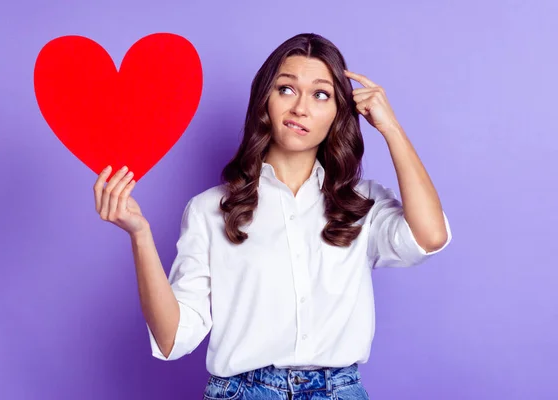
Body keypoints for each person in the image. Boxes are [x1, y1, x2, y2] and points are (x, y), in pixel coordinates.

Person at [93, 33, 452, 399]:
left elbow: (430, 237)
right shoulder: (209, 210)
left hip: (339, 391)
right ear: (265, 99)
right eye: (286, 89)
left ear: (338, 113)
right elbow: (172, 338)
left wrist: (390, 128)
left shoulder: (360, 203)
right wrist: (139, 235)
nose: (300, 108)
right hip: (242, 391)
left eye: (320, 94)